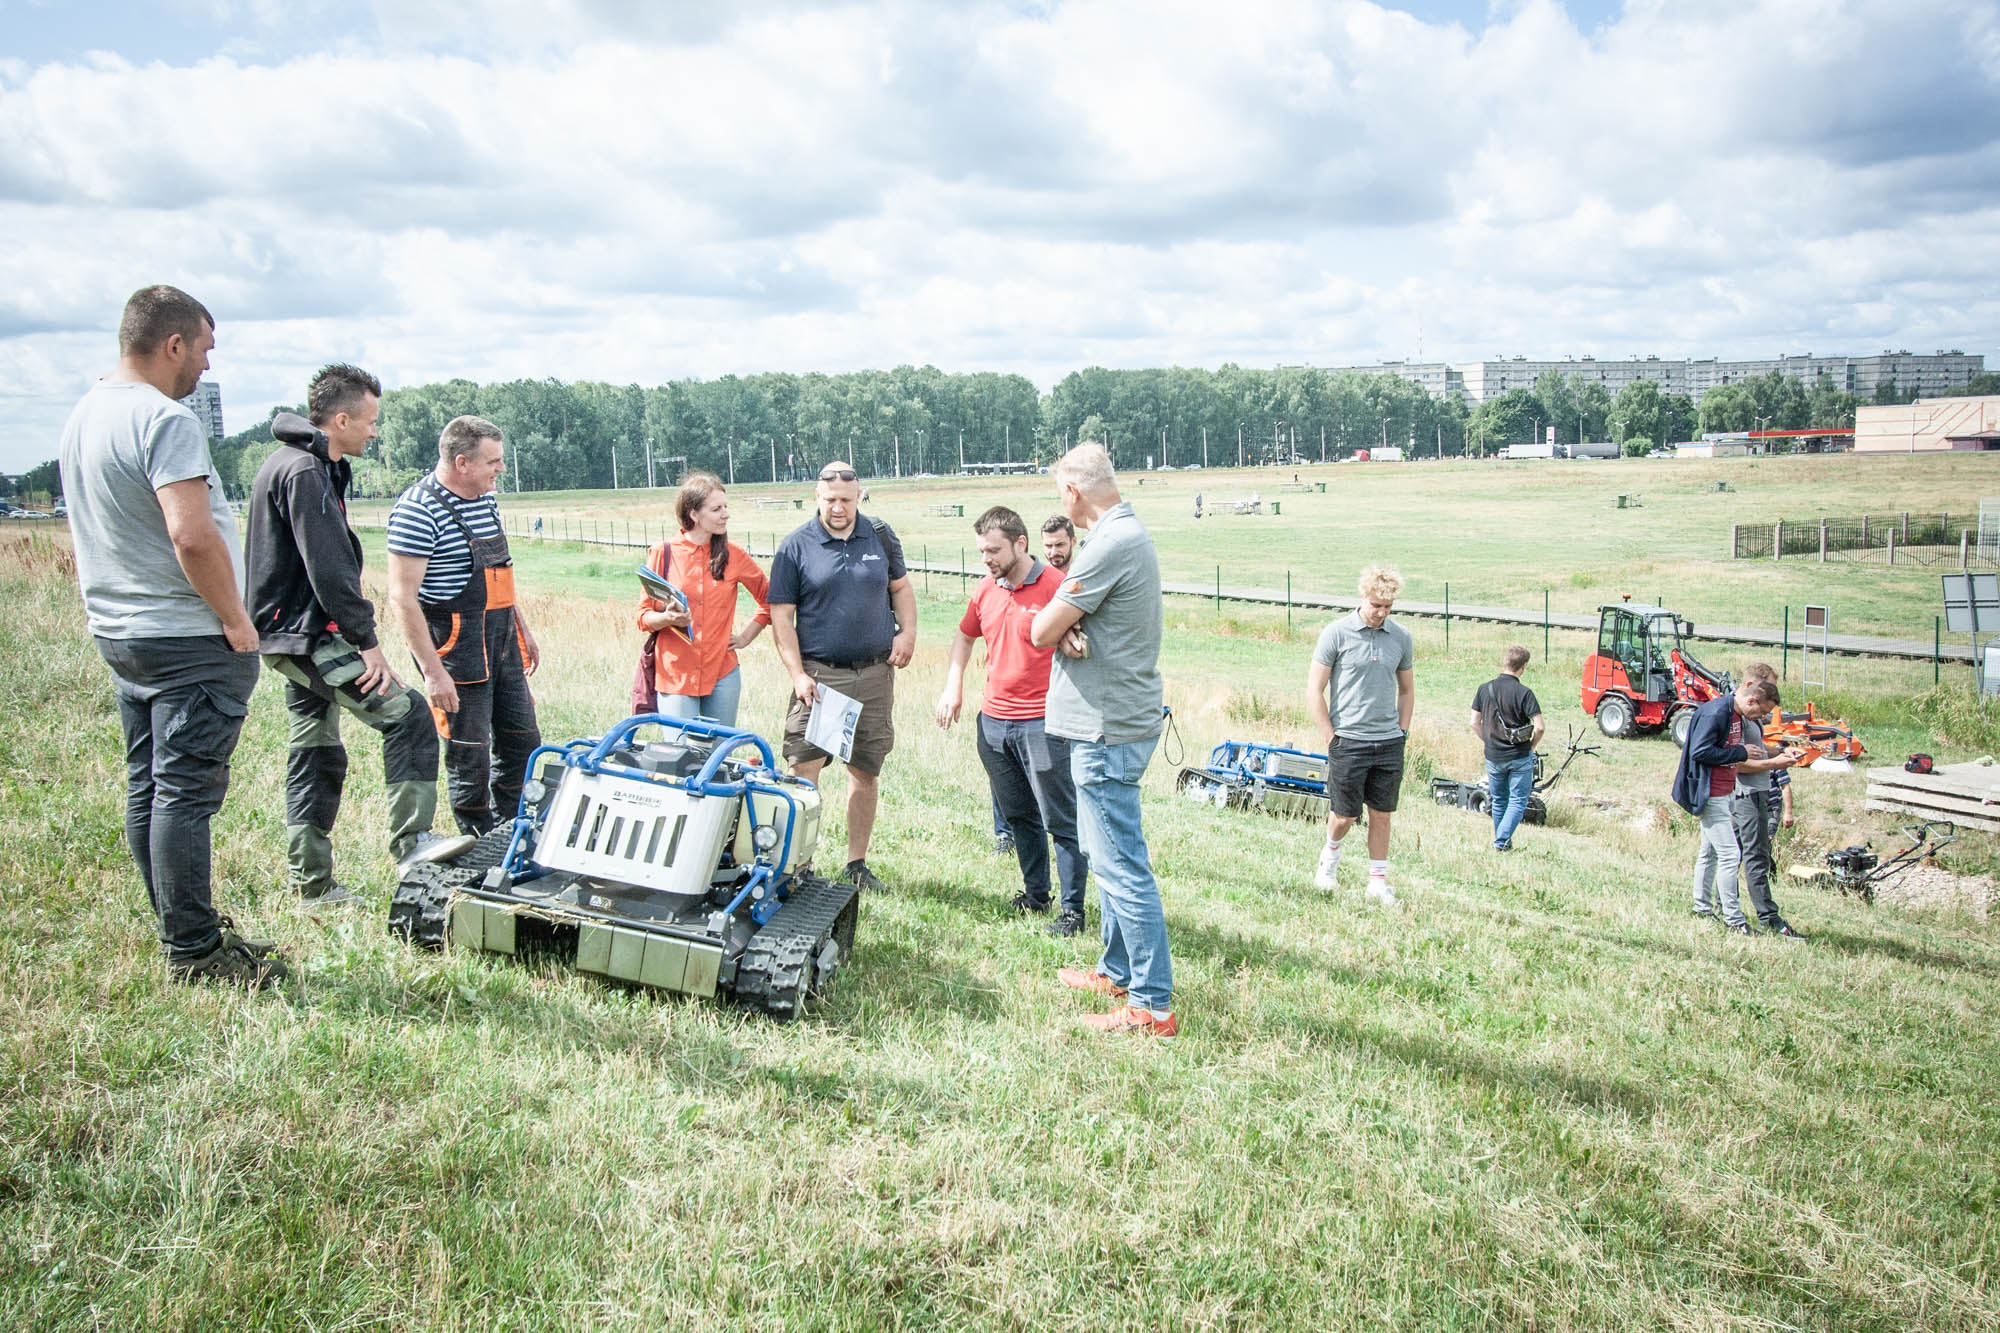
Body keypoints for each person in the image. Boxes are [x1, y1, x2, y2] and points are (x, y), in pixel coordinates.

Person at [58, 285, 288, 988]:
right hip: (185, 632)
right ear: (173, 343)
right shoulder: (163, 419)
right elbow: (191, 534)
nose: (206, 370)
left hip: (122, 630)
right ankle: (194, 950)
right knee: (184, 793)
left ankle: (178, 924)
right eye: (205, 351)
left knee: (150, 785)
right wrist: (235, 619)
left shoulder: (85, 414)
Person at [246, 364, 444, 904]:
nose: (375, 432)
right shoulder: (305, 472)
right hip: (308, 635)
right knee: (407, 716)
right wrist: (367, 643)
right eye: (370, 422)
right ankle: (414, 847)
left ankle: (313, 888)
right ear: (340, 419)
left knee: (315, 750)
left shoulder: (302, 465)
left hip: (290, 634)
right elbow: (328, 568)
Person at [1031, 443, 1175, 1037]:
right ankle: (1116, 971)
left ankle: (1152, 1006)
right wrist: (1071, 626)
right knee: (1104, 850)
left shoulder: (1112, 542)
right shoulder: (1120, 535)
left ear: (1072, 494)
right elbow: (1072, 624)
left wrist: (1062, 625)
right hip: (1110, 721)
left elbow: (1041, 628)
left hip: (1107, 728)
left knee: (1120, 866)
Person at [936, 506, 1090, 937]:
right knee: (1018, 814)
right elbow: (964, 638)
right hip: (994, 725)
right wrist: (954, 686)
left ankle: (1073, 910)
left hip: (1042, 724)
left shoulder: (1058, 586)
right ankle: (1036, 893)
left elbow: (1085, 634)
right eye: (982, 550)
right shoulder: (985, 590)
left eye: (994, 550)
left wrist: (1074, 637)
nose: (986, 559)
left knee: (1059, 818)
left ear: (1020, 544)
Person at [385, 416, 542, 835]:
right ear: (461, 463)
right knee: (469, 753)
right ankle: (477, 841)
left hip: (503, 641)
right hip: (457, 649)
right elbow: (402, 597)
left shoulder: (486, 500)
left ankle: (515, 832)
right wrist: (433, 673)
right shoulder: (417, 510)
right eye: (493, 461)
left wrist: (521, 629)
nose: (501, 470)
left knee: (523, 743)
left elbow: (499, 572)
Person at [767, 461, 916, 892]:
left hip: (873, 674)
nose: (838, 508)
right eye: (830, 500)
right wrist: (797, 674)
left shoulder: (880, 536)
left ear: (859, 498)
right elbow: (782, 618)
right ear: (817, 497)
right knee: (804, 769)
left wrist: (907, 633)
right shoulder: (795, 547)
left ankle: (857, 863)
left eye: (846, 501)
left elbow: (901, 589)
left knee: (865, 771)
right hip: (819, 677)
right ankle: (799, 865)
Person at [1308, 566, 1415, 906]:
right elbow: (1315, 688)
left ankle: (1377, 882)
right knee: (1345, 815)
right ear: (1361, 598)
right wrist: (1330, 736)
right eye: (1375, 606)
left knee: (1381, 813)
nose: (1381, 613)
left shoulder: (1401, 638)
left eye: (1388, 607)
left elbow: (1407, 690)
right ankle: (1329, 859)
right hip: (1348, 740)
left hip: (1388, 742)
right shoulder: (1336, 634)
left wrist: (1402, 731)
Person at [634, 471, 770, 725]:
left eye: (726, 507)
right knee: (680, 759)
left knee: (719, 760)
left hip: (723, 673)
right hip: (675, 675)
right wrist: (666, 618)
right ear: (694, 514)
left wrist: (745, 637)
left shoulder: (734, 555)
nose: (725, 514)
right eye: (717, 508)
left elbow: (772, 601)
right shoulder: (662, 553)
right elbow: (642, 617)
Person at [1671, 678, 1801, 936]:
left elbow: (1734, 749)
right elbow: (1700, 752)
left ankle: (1702, 908)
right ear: (1752, 700)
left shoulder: (1735, 714)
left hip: (1724, 791)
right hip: (1711, 793)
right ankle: (1734, 920)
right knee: (1731, 855)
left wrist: (1777, 753)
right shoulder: (1717, 712)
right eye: (1762, 712)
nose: (1760, 717)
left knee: (1709, 853)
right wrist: (1740, 753)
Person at [1731, 664, 1806, 939]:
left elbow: (1757, 750)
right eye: (1770, 688)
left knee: (1736, 855)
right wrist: (1775, 762)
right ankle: (1768, 916)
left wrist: (1782, 751)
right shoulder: (1739, 715)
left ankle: (1723, 906)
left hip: (1756, 791)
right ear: (1755, 688)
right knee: (1756, 856)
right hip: (1747, 794)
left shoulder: (1751, 717)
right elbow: (1737, 762)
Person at [1469, 645, 1544, 852]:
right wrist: (1531, 746)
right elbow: (1539, 727)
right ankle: (1501, 841)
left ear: (1505, 662)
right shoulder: (1525, 693)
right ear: (1523, 667)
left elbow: (1474, 722)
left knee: (1500, 800)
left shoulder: (1485, 689)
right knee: (1518, 801)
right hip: (1519, 755)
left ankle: (1504, 841)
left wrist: (1487, 741)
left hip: (1493, 756)